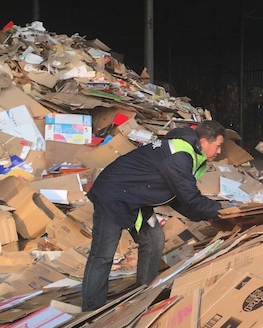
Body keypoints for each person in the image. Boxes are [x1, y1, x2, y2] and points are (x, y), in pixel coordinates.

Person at [81, 120, 226, 311]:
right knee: (103, 254)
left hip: (137, 198)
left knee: (153, 239)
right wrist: (221, 212)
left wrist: (208, 216)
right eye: (218, 146)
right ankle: (92, 310)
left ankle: (145, 295)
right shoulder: (179, 156)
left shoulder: (189, 154)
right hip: (114, 196)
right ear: (204, 141)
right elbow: (188, 197)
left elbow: (178, 198)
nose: (219, 152)